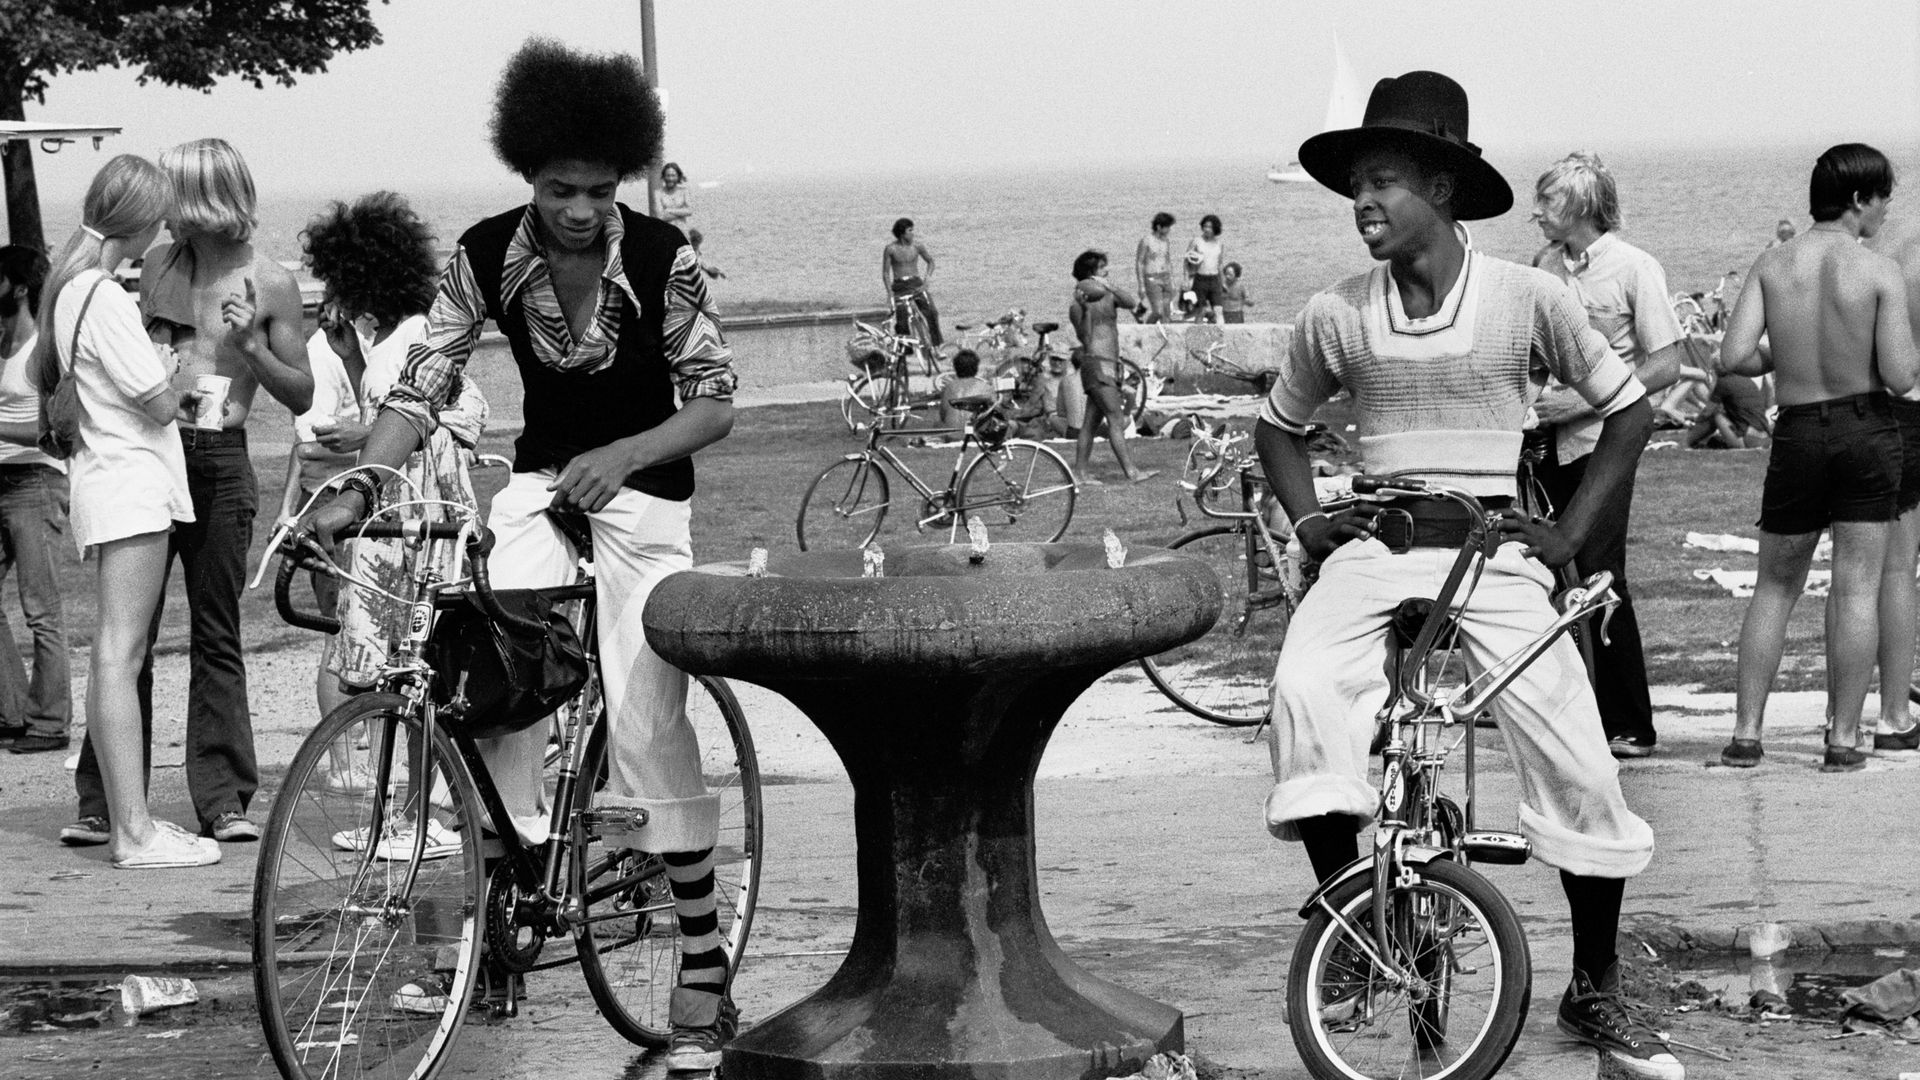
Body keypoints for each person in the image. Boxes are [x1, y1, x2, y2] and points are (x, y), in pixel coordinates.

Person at [298, 38, 738, 1070]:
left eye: (597, 190)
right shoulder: (488, 251)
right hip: (545, 484)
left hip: (647, 494)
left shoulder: (666, 260)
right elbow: (422, 385)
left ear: (622, 179)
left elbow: (714, 402)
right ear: (526, 176)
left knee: (643, 702)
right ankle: (513, 859)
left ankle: (704, 962)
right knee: (486, 651)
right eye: (558, 189)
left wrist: (625, 450)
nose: (580, 210)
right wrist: (363, 479)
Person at [1257, 72, 1681, 1079]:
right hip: (1374, 545)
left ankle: (1595, 986)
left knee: (1573, 741)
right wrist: (1313, 523)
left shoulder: (1530, 299)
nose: (1363, 201)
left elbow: (1628, 412)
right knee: (1301, 695)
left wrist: (1571, 531)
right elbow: (1277, 429)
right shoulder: (1336, 315)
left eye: (1386, 180)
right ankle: (1367, 934)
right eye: (1357, 182)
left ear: (1442, 190)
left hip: (1492, 548)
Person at [64, 138, 313, 848]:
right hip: (157, 450)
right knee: (127, 634)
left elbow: (304, 395)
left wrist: (255, 349)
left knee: (216, 632)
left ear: (207, 198)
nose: (165, 211)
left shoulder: (271, 282)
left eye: (176, 195)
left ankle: (225, 799)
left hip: (222, 461)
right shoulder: (161, 265)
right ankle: (106, 801)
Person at [34, 156, 217, 868]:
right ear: (138, 221)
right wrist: (176, 366)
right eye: (159, 219)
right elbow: (159, 401)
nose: (162, 232)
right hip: (130, 485)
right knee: (119, 654)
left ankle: (129, 824)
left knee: (114, 652)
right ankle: (133, 831)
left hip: (106, 482)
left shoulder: (70, 290)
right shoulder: (102, 295)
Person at [280, 193, 489, 794]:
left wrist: (361, 434)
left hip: (420, 520)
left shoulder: (421, 333)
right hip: (392, 513)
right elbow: (385, 414)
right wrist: (350, 363)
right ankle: (419, 801)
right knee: (402, 665)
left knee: (418, 662)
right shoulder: (388, 339)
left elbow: (462, 415)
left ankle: (429, 801)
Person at [1720, 143, 1920, 773]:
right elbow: (1899, 375)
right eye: (1882, 199)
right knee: (1858, 585)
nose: (1885, 213)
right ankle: (1842, 739)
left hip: (1799, 430)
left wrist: (1788, 354)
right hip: (1865, 428)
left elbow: (1733, 357)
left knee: (1775, 585)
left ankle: (1746, 735)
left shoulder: (1772, 264)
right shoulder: (1878, 270)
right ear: (1859, 199)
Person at [1529, 151, 1684, 759]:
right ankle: (1574, 715)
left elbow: (1665, 363)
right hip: (1544, 443)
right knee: (1546, 573)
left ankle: (1630, 724)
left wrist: (1578, 406)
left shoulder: (1634, 269)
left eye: (1548, 200)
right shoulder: (1543, 267)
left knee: (1598, 576)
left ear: (1582, 207)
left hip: (1604, 440)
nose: (1536, 210)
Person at [0, 246, 73, 755]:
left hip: (35, 484)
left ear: (20, 286)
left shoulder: (42, 352)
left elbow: (56, 428)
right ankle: (10, 709)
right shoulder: (3, 346)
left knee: (41, 610)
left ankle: (49, 722)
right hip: (2, 483)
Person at [1866, 210, 1920, 751]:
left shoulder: (1888, 239)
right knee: (1898, 570)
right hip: (1910, 404)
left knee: (1869, 573)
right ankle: (1896, 713)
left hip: (1880, 412)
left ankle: (1861, 710)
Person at [1068, 250, 1154, 485]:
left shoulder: (1108, 296)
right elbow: (1085, 339)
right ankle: (1132, 472)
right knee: (1115, 418)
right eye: (1102, 268)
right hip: (1096, 365)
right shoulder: (1077, 306)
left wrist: (1110, 286)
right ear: (1090, 274)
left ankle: (1080, 473)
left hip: (1110, 366)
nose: (1107, 270)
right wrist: (1085, 310)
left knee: (1090, 422)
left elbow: (1132, 304)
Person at [882, 217, 942, 347]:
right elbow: (886, 273)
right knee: (901, 319)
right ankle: (905, 351)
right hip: (899, 286)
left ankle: (936, 345)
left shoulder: (917, 246)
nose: (913, 233)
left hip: (916, 283)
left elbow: (930, 262)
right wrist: (890, 293)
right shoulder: (890, 249)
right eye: (910, 230)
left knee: (932, 312)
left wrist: (927, 281)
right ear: (902, 233)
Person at [1184, 215, 1226, 324]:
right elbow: (1186, 260)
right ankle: (1198, 337)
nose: (1207, 229)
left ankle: (1221, 335)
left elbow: (1220, 264)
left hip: (1215, 279)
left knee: (1218, 310)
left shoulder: (1219, 244)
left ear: (1215, 229)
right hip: (1200, 279)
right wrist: (1186, 279)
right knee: (1200, 310)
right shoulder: (1196, 241)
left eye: (1210, 227)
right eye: (1205, 226)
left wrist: (1223, 282)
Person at [1134, 212, 1175, 323]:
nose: (1169, 230)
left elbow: (1168, 260)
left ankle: (1165, 338)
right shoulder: (1146, 241)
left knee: (1167, 313)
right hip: (1152, 278)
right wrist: (1141, 285)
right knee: (1158, 312)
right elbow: (1140, 262)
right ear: (1158, 227)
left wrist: (1172, 280)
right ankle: (1146, 331)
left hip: (1165, 277)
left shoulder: (1166, 241)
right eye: (1167, 227)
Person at [937, 348, 994, 427]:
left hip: (952, 434)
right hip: (977, 435)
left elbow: (942, 416)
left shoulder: (949, 387)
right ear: (976, 368)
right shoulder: (986, 387)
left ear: (956, 368)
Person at [657, 161, 692, 236]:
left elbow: (689, 211)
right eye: (668, 175)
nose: (670, 178)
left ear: (678, 176)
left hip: (682, 233)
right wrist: (682, 213)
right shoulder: (659, 193)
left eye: (673, 175)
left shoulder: (684, 191)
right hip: (665, 234)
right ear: (663, 177)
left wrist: (669, 210)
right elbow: (660, 217)